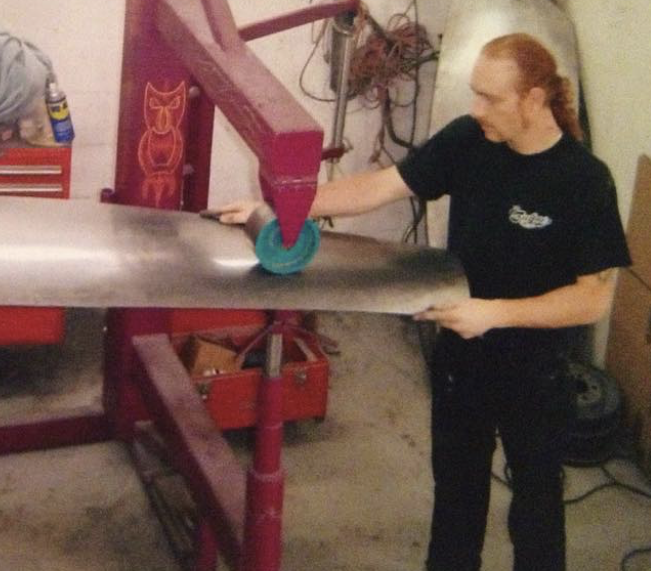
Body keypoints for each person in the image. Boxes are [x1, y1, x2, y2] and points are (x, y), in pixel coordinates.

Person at [218, 33, 631, 571]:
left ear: (534, 100)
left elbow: (592, 300)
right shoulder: (469, 141)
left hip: (536, 372)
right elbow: (380, 187)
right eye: (474, 95)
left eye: (491, 99)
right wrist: (284, 208)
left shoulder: (583, 181)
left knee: (536, 507)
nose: (476, 109)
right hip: (462, 358)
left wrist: (494, 313)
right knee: (456, 501)